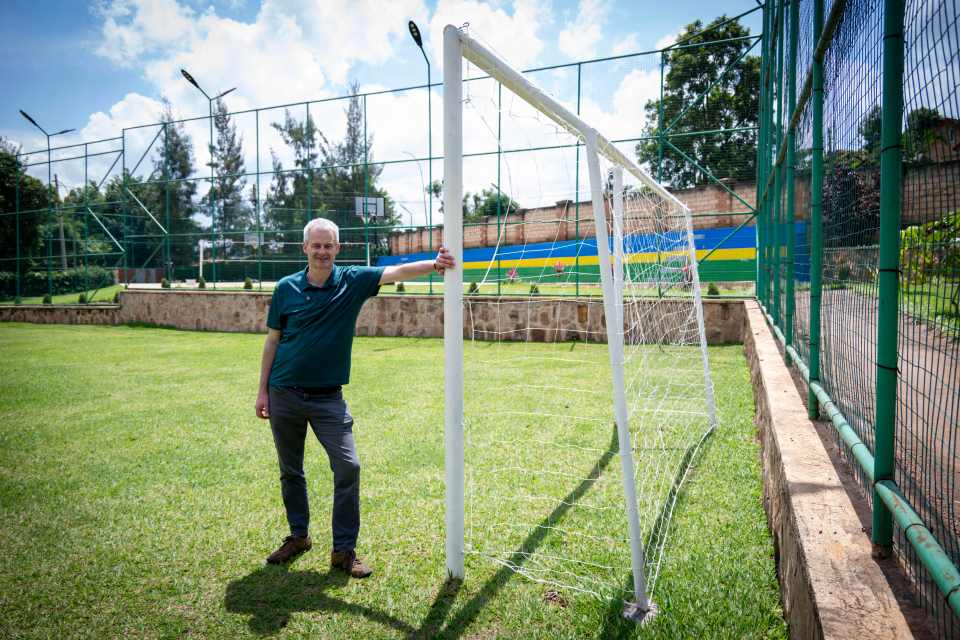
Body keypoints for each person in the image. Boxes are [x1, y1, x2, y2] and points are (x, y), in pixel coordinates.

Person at [255, 217, 455, 577]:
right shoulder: (285, 288)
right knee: (291, 471)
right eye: (315, 245)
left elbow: (395, 271)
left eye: (328, 245)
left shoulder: (351, 281)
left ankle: (343, 550)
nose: (321, 251)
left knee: (348, 466)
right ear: (305, 248)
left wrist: (435, 264)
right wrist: (262, 391)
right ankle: (298, 536)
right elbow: (272, 341)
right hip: (283, 393)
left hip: (328, 398)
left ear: (337, 248)